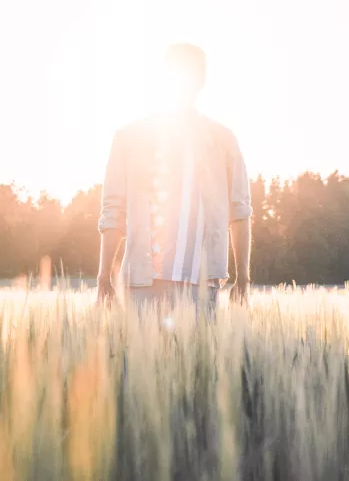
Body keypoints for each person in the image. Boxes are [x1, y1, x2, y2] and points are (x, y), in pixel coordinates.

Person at [96, 43, 252, 317]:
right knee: (138, 360)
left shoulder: (223, 140)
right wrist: (103, 279)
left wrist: (243, 280)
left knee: (198, 361)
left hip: (202, 284)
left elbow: (239, 212)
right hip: (142, 282)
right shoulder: (129, 138)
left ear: (201, 81)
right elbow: (113, 212)